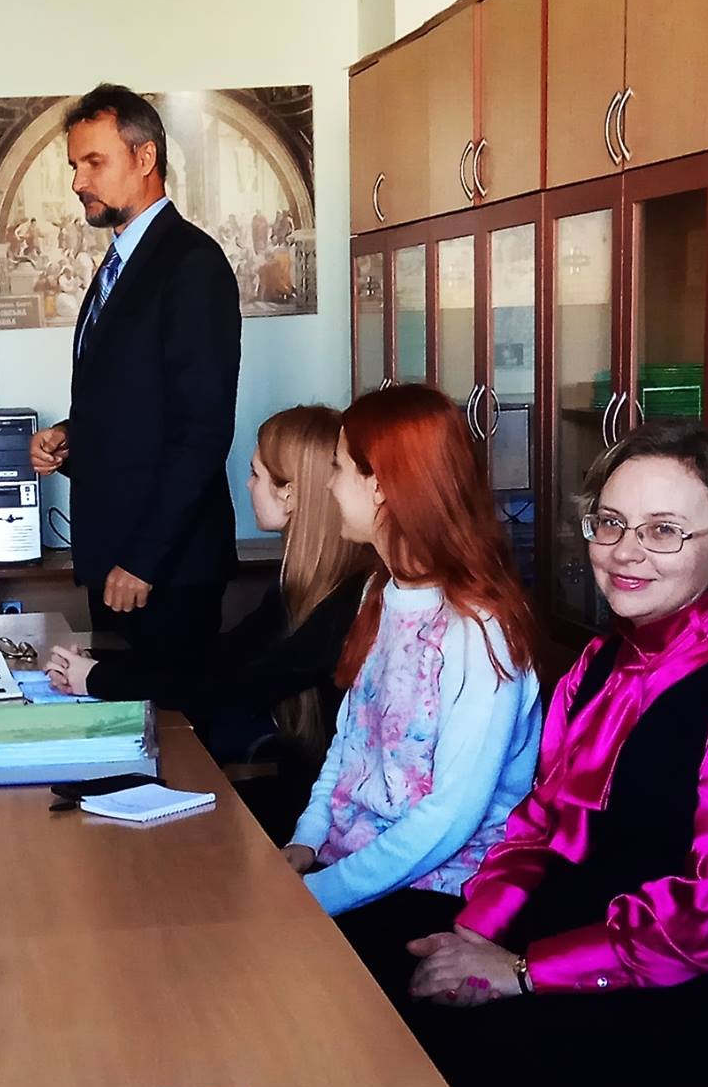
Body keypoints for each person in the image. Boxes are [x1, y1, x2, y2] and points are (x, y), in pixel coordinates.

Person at [361, 423, 708, 1087]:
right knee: (374, 974)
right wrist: (472, 931)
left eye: (664, 531)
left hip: (696, 1010)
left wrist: (522, 971)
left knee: (438, 1062)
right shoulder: (596, 663)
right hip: (565, 954)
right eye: (611, 522)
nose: (625, 551)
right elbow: (536, 828)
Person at [41, 405, 371, 840]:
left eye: (255, 474)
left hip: (321, 822)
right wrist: (100, 664)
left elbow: (232, 686)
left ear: (289, 495)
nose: (247, 485)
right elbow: (219, 654)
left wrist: (100, 678)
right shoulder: (297, 586)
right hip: (306, 803)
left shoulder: (347, 602)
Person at [280, 385, 542, 917]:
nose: (328, 485)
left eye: (337, 468)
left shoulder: (478, 631)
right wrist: (306, 840)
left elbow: (450, 818)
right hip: (348, 867)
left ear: (379, 485)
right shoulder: (378, 592)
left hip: (437, 890)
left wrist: (317, 896)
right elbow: (351, 744)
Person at [29, 84, 241, 660]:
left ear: (145, 158)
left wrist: (144, 560)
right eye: (74, 166)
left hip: (164, 569)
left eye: (93, 162)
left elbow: (202, 431)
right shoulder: (119, 261)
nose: (78, 181)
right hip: (115, 557)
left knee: (166, 717)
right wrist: (70, 437)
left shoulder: (192, 264)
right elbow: (135, 403)